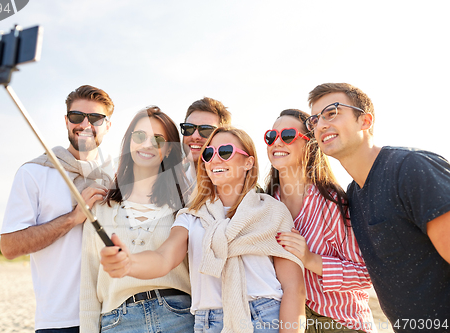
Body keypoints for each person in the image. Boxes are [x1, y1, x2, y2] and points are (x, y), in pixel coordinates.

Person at [101, 127, 306, 333]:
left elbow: (293, 289)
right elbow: (164, 258)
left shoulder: (272, 211)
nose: (215, 160)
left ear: (248, 162)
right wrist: (129, 263)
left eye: (225, 151)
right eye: (209, 154)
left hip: (266, 317)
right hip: (210, 323)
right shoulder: (192, 216)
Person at [307, 83, 450, 332]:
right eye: (315, 120)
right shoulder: (352, 195)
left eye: (331, 113)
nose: (321, 125)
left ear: (365, 121)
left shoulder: (410, 169)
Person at [0, 85, 114, 332]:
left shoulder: (118, 177)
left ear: (108, 125)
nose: (85, 124)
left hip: (115, 315)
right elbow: (9, 246)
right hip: (61, 320)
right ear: (66, 121)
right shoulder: (34, 173)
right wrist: (73, 218)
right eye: (76, 117)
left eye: (95, 118)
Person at [80, 106, 194, 333]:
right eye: (140, 136)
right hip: (118, 321)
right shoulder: (101, 208)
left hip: (178, 317)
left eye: (158, 140)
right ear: (129, 142)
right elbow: (88, 286)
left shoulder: (185, 204)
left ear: (170, 150)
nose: (147, 144)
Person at [268, 109, 375, 333]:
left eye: (287, 135)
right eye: (271, 136)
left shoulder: (332, 202)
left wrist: (310, 259)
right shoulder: (266, 203)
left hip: (340, 321)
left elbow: (365, 274)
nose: (276, 142)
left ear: (310, 144)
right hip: (288, 320)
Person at [180, 97, 231, 184]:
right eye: (189, 128)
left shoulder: (240, 189)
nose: (195, 136)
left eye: (206, 130)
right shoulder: (168, 183)